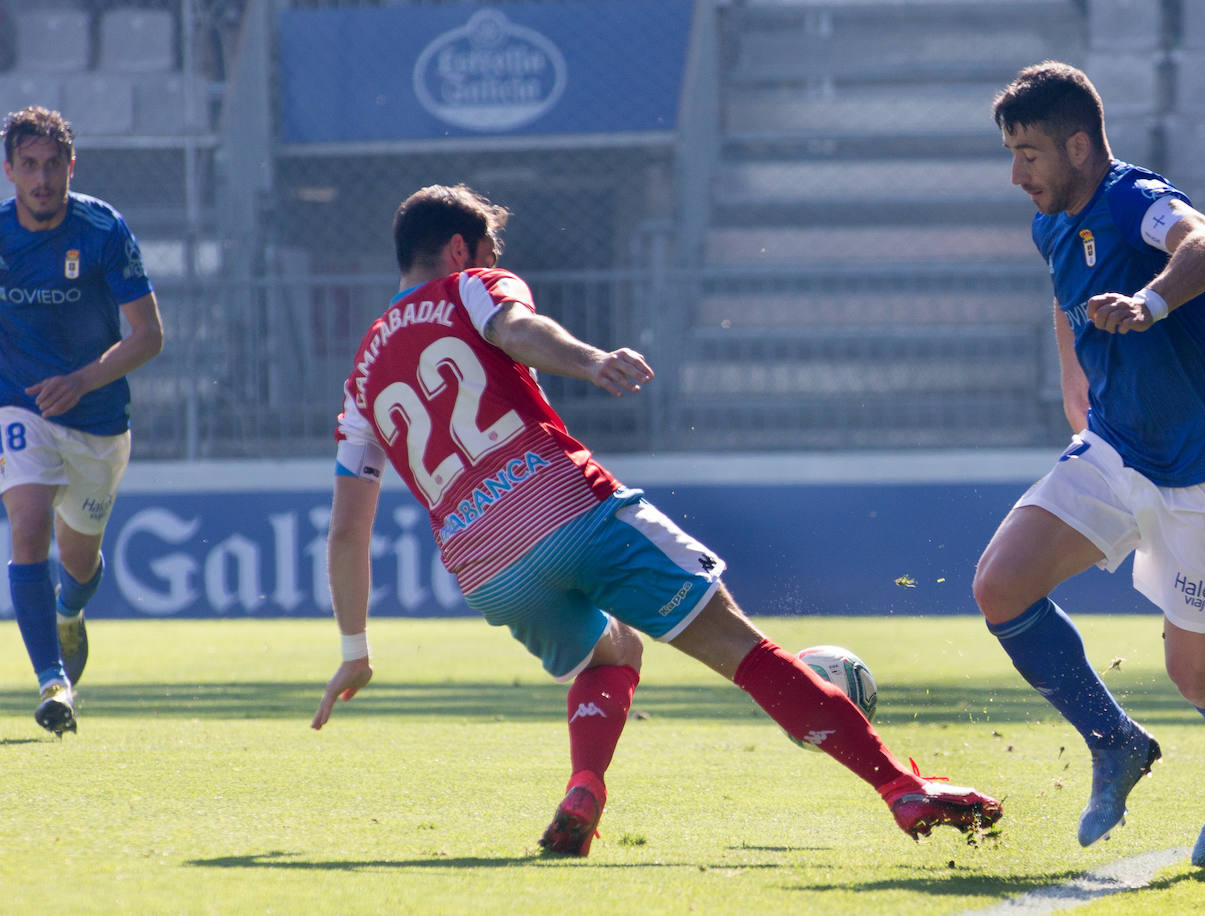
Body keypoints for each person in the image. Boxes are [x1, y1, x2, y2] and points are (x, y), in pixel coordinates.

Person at [310, 183, 1002, 855]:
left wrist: (353, 650)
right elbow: (516, 329)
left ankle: (585, 787)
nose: (494, 262)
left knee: (614, 653)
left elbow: (347, 531)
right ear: (460, 250)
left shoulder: (362, 380)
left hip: (486, 568)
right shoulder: (470, 288)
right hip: (567, 507)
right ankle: (900, 787)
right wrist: (591, 360)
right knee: (745, 651)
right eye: (489, 250)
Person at [973, 61, 1205, 868]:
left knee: (1198, 679)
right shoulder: (1051, 221)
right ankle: (1115, 743)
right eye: (1010, 154)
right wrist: (1074, 391)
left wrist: (1149, 303)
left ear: (1079, 146)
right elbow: (1065, 298)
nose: (1016, 175)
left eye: (1029, 154)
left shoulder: (1135, 200)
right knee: (1000, 586)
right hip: (1114, 449)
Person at [1, 106, 164, 735]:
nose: (42, 179)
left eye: (52, 166)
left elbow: (148, 337)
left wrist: (81, 380)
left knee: (79, 560)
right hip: (21, 407)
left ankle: (69, 612)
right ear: (10, 169)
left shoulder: (102, 229)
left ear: (72, 166)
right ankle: (53, 683)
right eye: (29, 166)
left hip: (97, 418)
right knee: (28, 526)